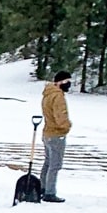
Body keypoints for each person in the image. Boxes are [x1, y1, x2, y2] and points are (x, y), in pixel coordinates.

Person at [40, 71, 73, 203]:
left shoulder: (48, 94)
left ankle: (43, 187)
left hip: (47, 132)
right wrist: (66, 127)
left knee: (48, 163)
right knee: (55, 165)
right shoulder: (58, 96)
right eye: (66, 82)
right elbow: (60, 116)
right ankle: (50, 192)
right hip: (56, 134)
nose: (68, 84)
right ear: (59, 82)